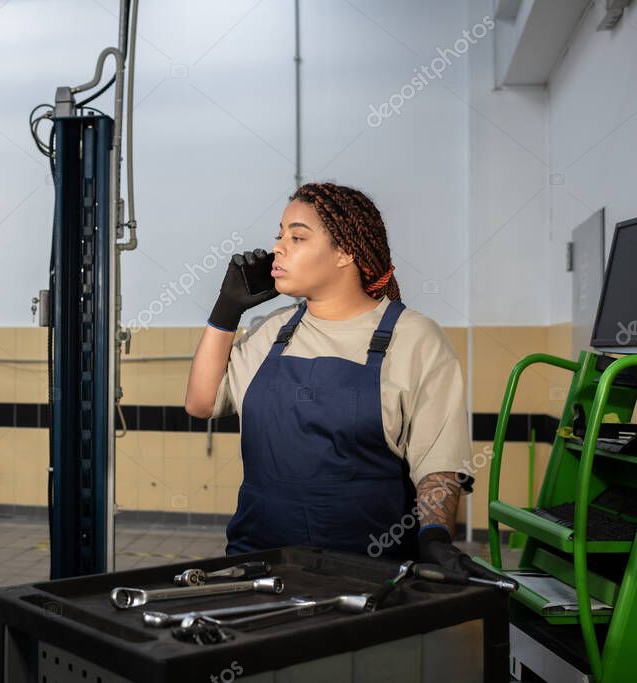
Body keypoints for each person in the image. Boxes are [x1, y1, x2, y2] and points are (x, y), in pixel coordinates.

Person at [184, 182, 489, 578]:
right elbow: (201, 403)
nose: (278, 248)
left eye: (297, 237)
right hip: (259, 566)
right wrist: (225, 312)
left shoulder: (413, 338)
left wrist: (434, 539)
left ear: (346, 251)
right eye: (280, 236)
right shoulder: (274, 332)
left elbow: (438, 464)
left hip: (371, 572)